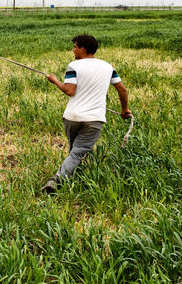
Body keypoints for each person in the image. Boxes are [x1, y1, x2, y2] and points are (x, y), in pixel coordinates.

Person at [41, 34, 132, 194]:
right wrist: (125, 109)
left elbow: (70, 90)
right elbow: (122, 90)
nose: (73, 50)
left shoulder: (74, 66)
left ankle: (62, 179)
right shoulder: (108, 67)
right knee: (78, 151)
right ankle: (58, 180)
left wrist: (55, 81)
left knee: (75, 151)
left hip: (72, 116)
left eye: (75, 47)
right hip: (94, 119)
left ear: (82, 49)